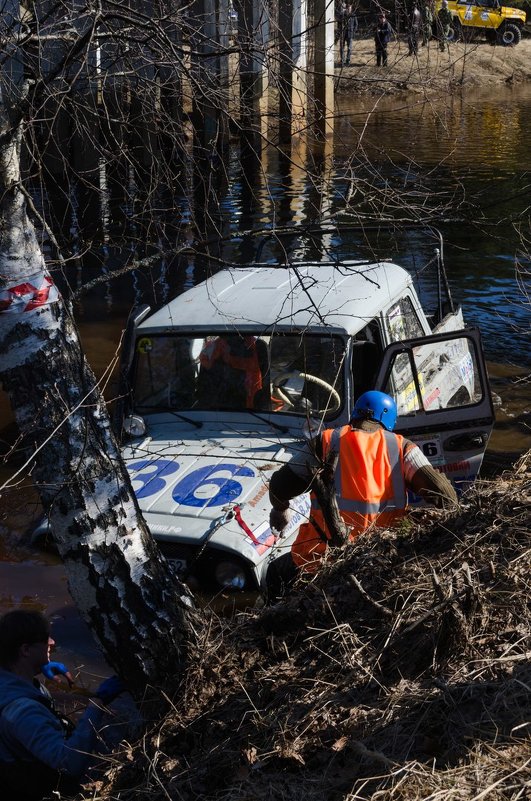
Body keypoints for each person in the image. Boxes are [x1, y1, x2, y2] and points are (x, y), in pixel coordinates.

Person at [267, 391, 457, 594]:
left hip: (320, 560)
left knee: (275, 572)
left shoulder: (326, 441)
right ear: (389, 421)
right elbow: (447, 497)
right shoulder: (403, 448)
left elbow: (279, 486)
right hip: (384, 561)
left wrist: (280, 510)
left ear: (355, 414)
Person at [0, 610, 125, 801]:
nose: (52, 643)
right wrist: (96, 705)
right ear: (25, 650)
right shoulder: (23, 712)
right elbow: (69, 764)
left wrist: (36, 667)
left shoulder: (7, 678)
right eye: (44, 639)